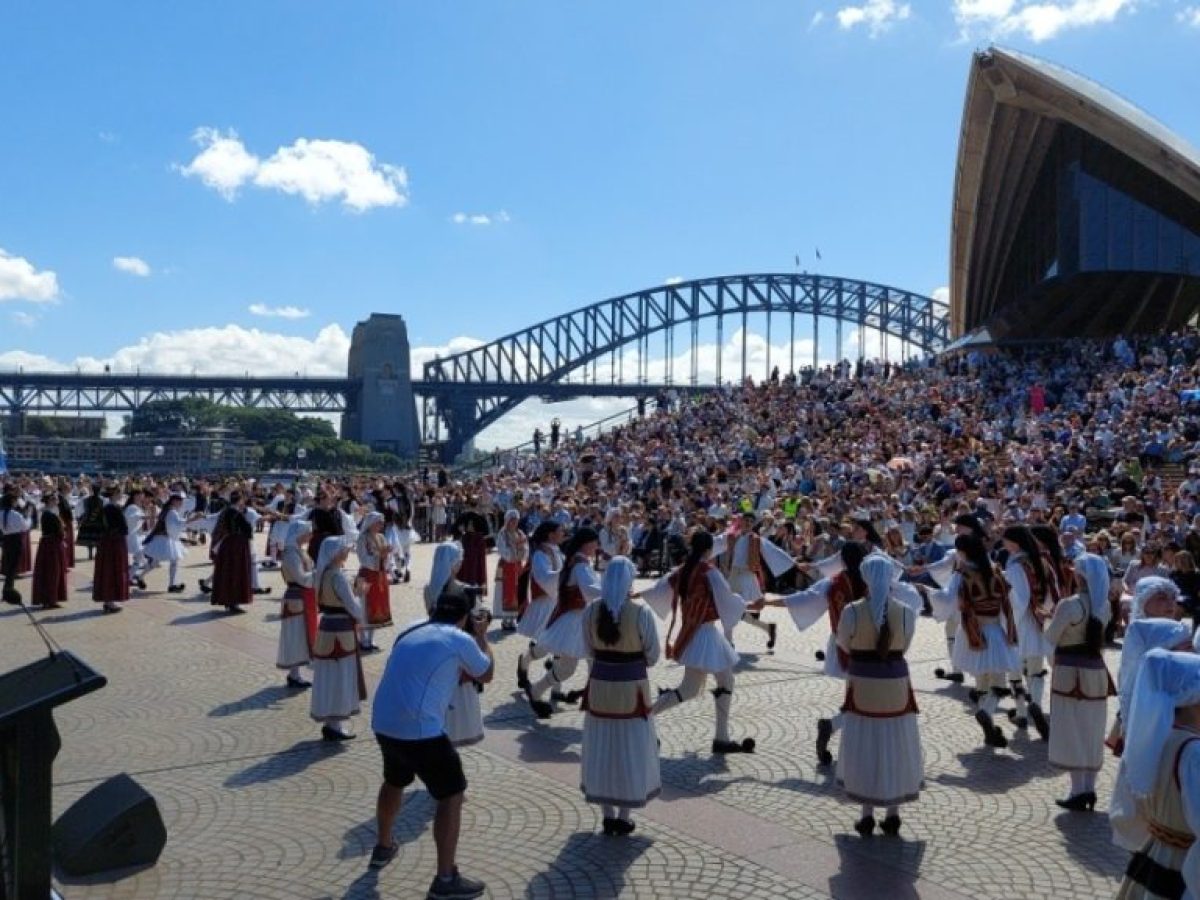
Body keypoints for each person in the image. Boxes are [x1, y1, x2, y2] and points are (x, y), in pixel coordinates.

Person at [368, 586, 493, 900]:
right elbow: (486, 673)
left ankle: (383, 845)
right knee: (451, 794)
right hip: (421, 729)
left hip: (384, 721)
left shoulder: (411, 628)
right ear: (464, 617)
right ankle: (445, 878)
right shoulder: (459, 638)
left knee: (394, 780)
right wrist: (482, 636)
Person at [834, 554, 923, 837]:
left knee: (864, 745)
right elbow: (905, 646)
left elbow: (843, 643)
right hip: (895, 684)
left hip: (862, 683)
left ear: (865, 577)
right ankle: (893, 813)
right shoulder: (906, 612)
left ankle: (867, 815)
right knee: (894, 743)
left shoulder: (851, 611)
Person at [643, 531, 756, 755]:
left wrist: (638, 595)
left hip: (692, 633)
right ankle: (645, 717)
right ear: (709, 549)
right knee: (704, 686)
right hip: (705, 633)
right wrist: (748, 603)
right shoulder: (708, 571)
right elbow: (727, 598)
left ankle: (721, 738)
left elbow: (659, 590)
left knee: (702, 686)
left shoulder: (683, 569)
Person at [766, 541, 870, 765]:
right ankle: (833, 727)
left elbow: (806, 598)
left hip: (843, 642)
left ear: (842, 560)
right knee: (864, 696)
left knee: (858, 694)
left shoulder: (833, 582)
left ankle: (842, 733)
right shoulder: (874, 580)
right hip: (870, 644)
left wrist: (770, 602)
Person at [579, 556, 661, 835]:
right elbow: (653, 656)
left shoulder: (590, 611)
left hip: (600, 689)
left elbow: (588, 650)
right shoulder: (641, 612)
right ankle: (624, 815)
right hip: (632, 692)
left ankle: (607, 815)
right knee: (630, 750)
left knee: (601, 749)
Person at [1110, 649, 1200, 899]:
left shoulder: (1153, 740)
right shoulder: (1193, 753)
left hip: (1154, 853)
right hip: (1182, 867)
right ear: (1194, 699)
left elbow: (1129, 810)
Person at [1045, 553, 1115, 811]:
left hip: (1069, 673)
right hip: (1095, 671)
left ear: (1080, 576)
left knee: (1071, 729)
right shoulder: (1104, 606)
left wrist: (1048, 619)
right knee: (1092, 728)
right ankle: (1089, 788)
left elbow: (1051, 637)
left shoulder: (1069, 605)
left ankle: (1077, 791)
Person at [947, 534, 1020, 749]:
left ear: (963, 552)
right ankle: (987, 716)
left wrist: (930, 593)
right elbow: (1010, 600)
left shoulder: (962, 574)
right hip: (995, 629)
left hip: (972, 632)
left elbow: (951, 601)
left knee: (981, 681)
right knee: (998, 681)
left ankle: (985, 717)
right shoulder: (996, 570)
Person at [526, 527, 602, 718]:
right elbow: (589, 590)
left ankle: (595, 701)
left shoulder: (578, 561)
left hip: (579, 619)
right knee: (570, 668)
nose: (597, 547)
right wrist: (614, 592)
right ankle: (536, 691)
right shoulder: (580, 565)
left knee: (592, 662)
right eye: (595, 543)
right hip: (575, 622)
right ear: (586, 544)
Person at [1001, 525, 1060, 739]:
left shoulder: (1016, 567)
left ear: (1015, 542)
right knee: (1036, 669)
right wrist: (1044, 612)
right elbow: (1053, 592)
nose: (1003, 544)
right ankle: (1035, 704)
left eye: (1006, 540)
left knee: (1015, 669)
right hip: (1038, 622)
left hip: (1020, 622)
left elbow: (1017, 599)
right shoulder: (1042, 561)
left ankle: (1022, 713)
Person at [310, 537, 367, 741]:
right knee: (341, 675)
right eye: (344, 550)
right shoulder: (338, 577)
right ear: (335, 553)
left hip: (326, 627)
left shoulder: (323, 574)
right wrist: (360, 593)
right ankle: (335, 724)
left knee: (328, 675)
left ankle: (330, 722)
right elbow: (354, 608)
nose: (347, 553)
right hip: (341, 630)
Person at [719, 510, 791, 649]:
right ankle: (766, 628)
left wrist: (792, 563)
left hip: (746, 575)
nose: (748, 523)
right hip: (733, 574)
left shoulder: (755, 539)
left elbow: (772, 552)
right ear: (741, 521)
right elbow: (728, 553)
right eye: (746, 520)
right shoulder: (734, 536)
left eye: (751, 522)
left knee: (734, 607)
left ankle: (729, 642)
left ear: (753, 524)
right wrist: (726, 570)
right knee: (731, 607)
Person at [515, 522, 564, 691]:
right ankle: (524, 661)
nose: (563, 533)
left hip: (558, 602)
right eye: (560, 531)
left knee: (560, 646)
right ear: (551, 534)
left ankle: (556, 690)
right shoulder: (540, 555)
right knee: (544, 647)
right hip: (546, 603)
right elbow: (545, 578)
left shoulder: (557, 551)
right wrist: (566, 574)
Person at [277, 520, 315, 690]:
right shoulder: (292, 553)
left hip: (303, 596)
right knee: (296, 635)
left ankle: (295, 673)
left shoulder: (300, 550)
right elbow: (300, 577)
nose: (310, 535)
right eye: (308, 532)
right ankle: (294, 674)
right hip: (296, 597)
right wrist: (317, 574)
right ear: (300, 534)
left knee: (300, 635)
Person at [355, 511, 392, 653]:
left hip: (379, 576)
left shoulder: (381, 537)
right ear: (371, 523)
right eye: (378, 523)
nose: (381, 525)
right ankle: (362, 640)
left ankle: (370, 639)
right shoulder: (362, 538)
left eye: (382, 523)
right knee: (364, 607)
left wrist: (386, 556)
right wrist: (380, 556)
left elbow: (386, 559)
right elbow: (363, 558)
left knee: (377, 607)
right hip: (366, 576)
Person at [142, 493, 190, 593]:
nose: (181, 503)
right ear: (174, 501)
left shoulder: (167, 509)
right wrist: (193, 519)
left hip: (162, 538)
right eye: (180, 501)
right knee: (171, 561)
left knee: (159, 562)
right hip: (165, 539)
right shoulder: (171, 511)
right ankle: (171, 585)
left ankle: (140, 576)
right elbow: (177, 524)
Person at [92, 500, 130, 614]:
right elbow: (124, 528)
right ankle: (110, 601)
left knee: (106, 572)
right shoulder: (114, 508)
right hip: (115, 543)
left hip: (105, 542)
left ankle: (108, 600)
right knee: (113, 572)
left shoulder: (101, 508)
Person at [492, 510, 528, 631]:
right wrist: (511, 556)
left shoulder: (520, 533)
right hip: (506, 565)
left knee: (516, 590)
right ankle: (506, 619)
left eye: (516, 520)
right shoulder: (503, 533)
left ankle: (513, 618)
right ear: (507, 520)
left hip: (517, 565)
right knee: (506, 590)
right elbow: (501, 547)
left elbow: (525, 547)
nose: (514, 523)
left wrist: (522, 554)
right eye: (512, 520)